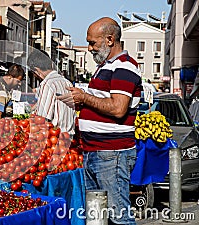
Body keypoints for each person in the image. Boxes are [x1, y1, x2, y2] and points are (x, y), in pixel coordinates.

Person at [57, 17, 142, 225]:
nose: (89, 48)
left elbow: (118, 108)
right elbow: (102, 103)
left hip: (111, 155)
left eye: (92, 42)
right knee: (98, 217)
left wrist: (84, 98)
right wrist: (79, 103)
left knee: (118, 216)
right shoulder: (105, 67)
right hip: (96, 152)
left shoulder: (124, 67)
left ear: (110, 39)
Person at [27, 49, 75, 135]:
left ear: (36, 70)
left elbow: (42, 117)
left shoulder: (47, 84)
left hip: (56, 138)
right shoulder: (67, 82)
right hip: (69, 137)